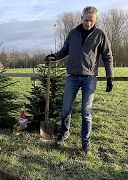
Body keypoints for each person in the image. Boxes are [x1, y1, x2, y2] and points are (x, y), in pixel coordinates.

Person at [45, 6, 114, 154]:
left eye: (91, 20)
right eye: (86, 20)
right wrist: (54, 57)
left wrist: (110, 76)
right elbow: (65, 50)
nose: (88, 23)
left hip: (89, 78)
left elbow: (107, 56)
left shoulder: (100, 34)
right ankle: (64, 133)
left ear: (95, 19)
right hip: (72, 77)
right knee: (66, 108)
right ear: (81, 18)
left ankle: (85, 143)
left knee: (86, 111)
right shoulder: (73, 33)